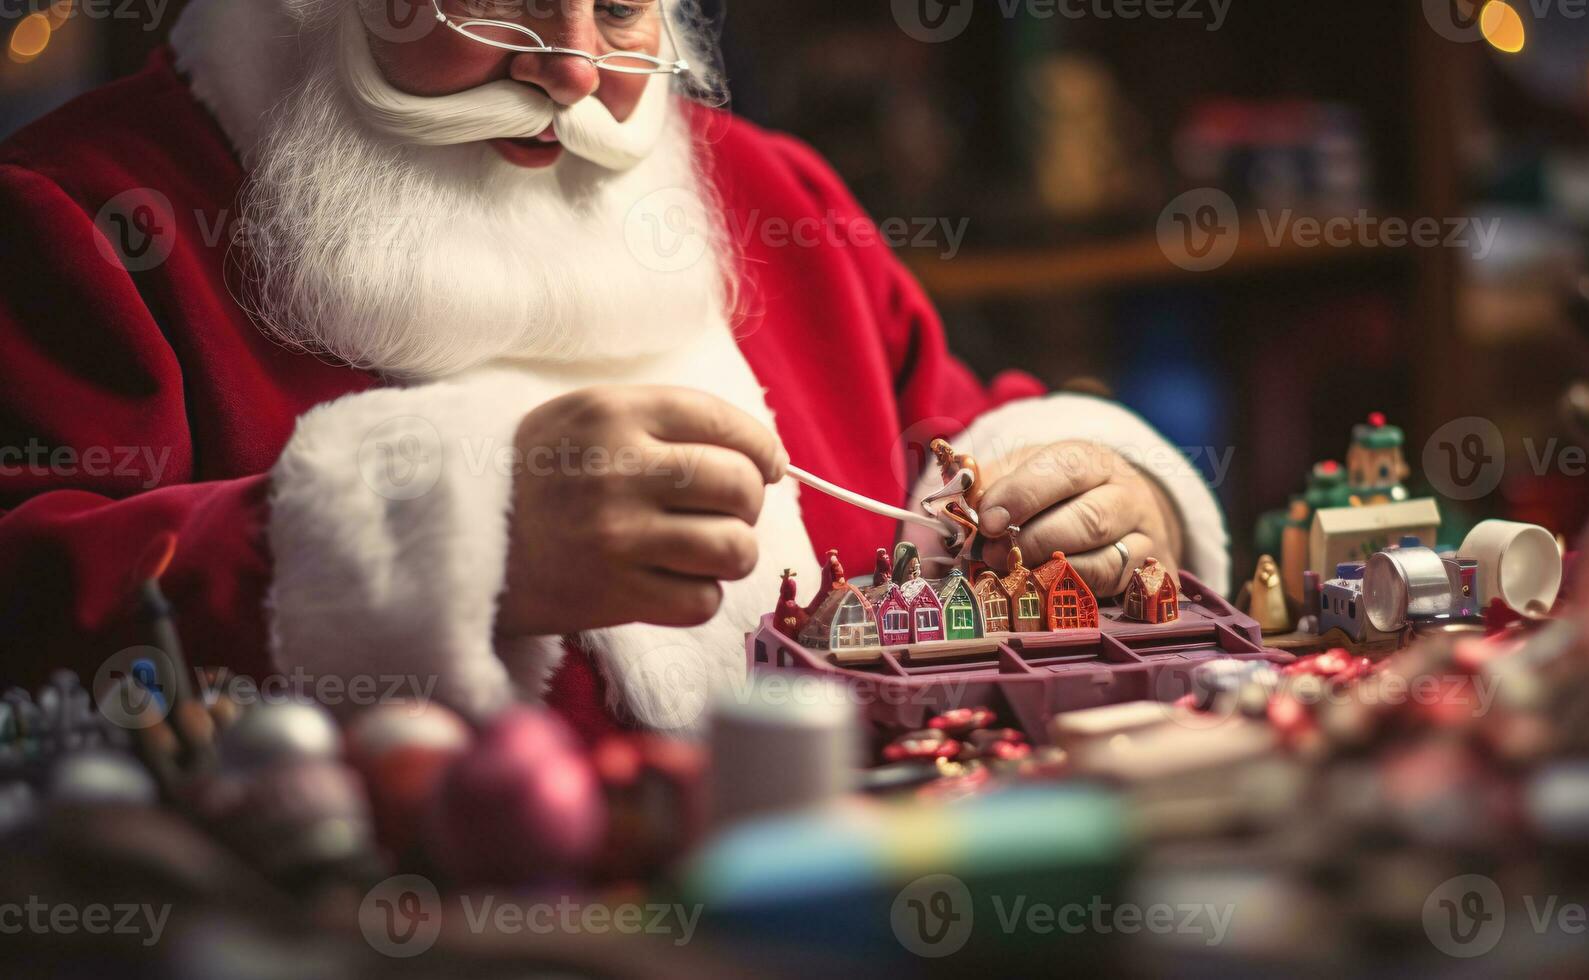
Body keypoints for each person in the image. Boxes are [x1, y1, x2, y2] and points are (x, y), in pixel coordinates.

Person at [0, 0, 1228, 735]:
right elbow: (35, 598)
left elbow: (959, 434)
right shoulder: (85, 214)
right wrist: (437, 539)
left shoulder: (770, 192)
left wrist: (1111, 492)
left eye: (623, 9)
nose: (574, 68)